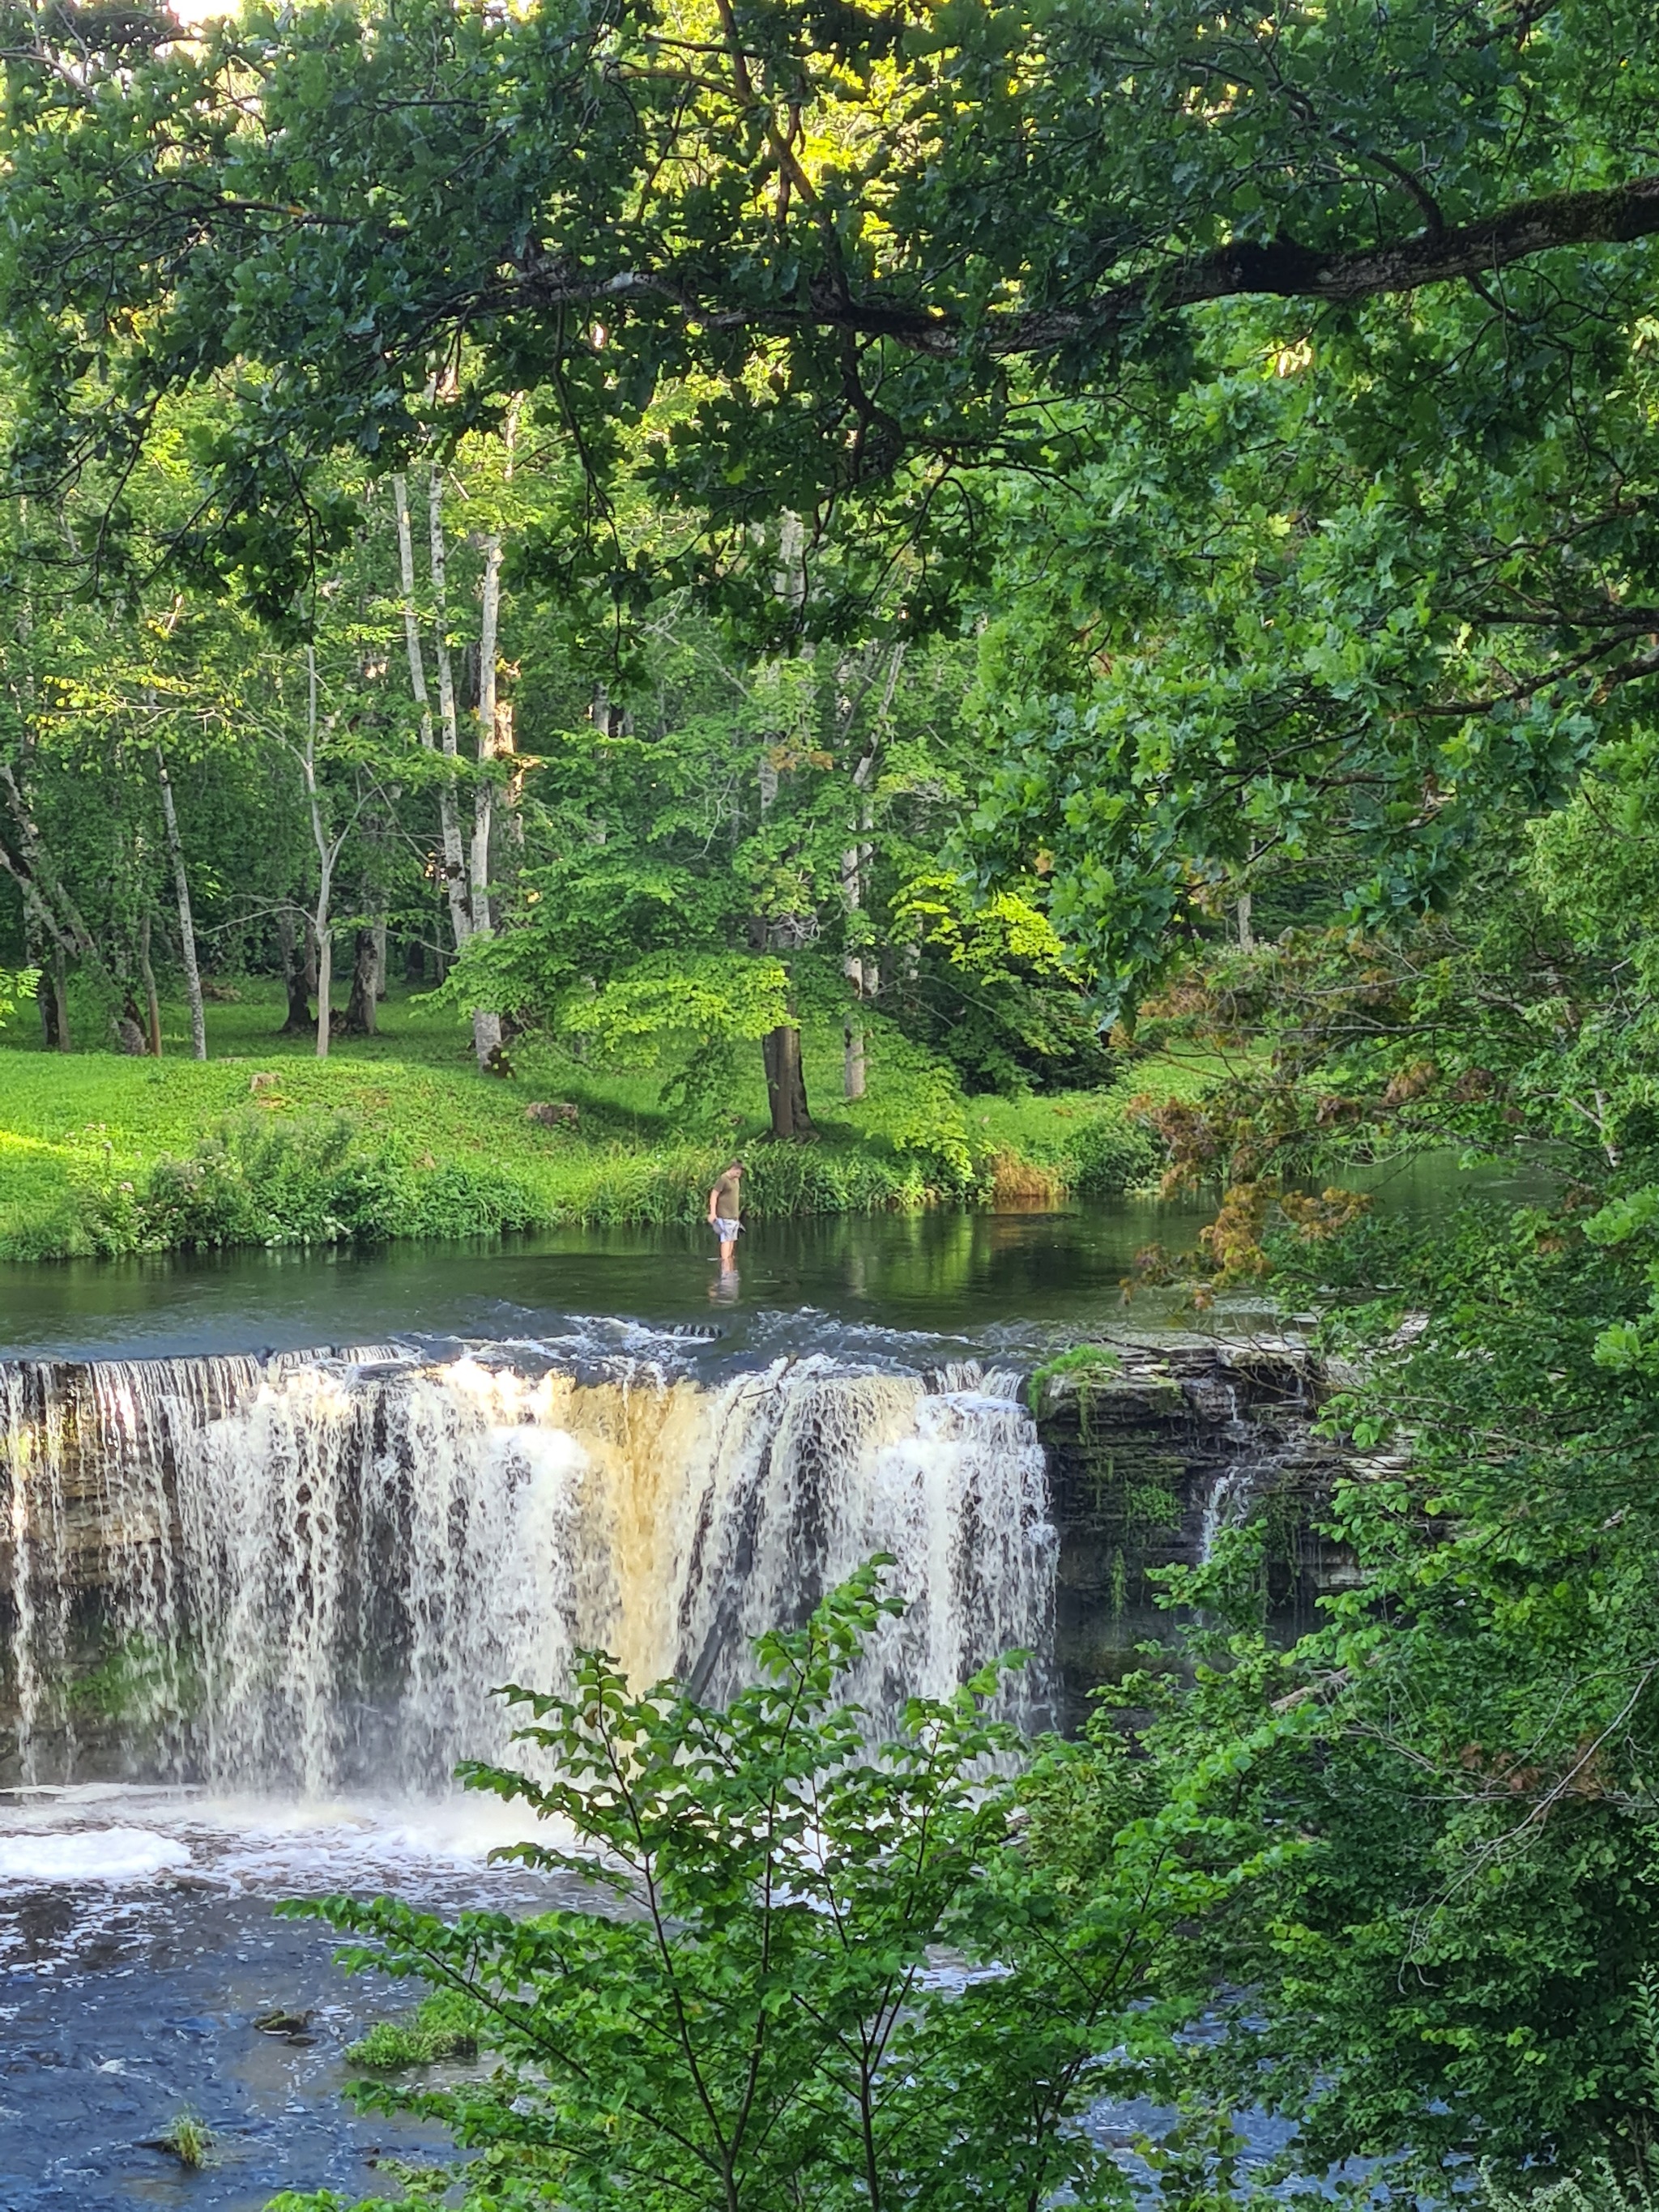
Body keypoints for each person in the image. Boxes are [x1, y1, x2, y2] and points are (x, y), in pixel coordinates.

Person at [706, 1160, 744, 1278]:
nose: (740, 1173)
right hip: (724, 1215)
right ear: (732, 1168)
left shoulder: (736, 1180)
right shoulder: (723, 1179)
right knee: (726, 1240)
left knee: (732, 1240)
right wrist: (713, 1213)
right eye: (738, 1171)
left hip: (734, 1217)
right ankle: (725, 1265)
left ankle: (729, 1264)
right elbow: (714, 1195)